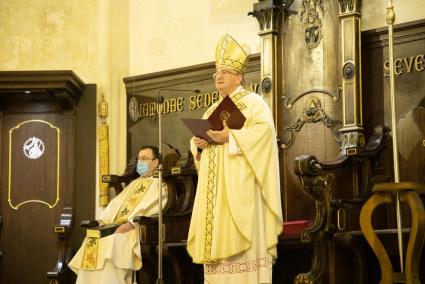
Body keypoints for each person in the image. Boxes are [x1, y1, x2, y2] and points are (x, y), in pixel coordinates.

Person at [187, 34, 283, 283]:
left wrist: (230, 137)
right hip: (215, 196)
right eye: (216, 72)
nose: (218, 76)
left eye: (225, 72)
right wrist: (198, 145)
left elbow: (264, 135)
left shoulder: (254, 104)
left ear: (239, 76)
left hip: (243, 191)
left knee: (244, 261)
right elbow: (203, 149)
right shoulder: (211, 109)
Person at [69, 145, 167, 284]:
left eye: (145, 159)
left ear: (156, 162)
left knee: (113, 241)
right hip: (117, 227)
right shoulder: (134, 183)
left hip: (137, 229)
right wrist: (101, 221)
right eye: (139, 159)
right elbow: (116, 204)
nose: (140, 162)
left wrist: (131, 224)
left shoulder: (161, 184)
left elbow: (156, 207)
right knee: (93, 239)